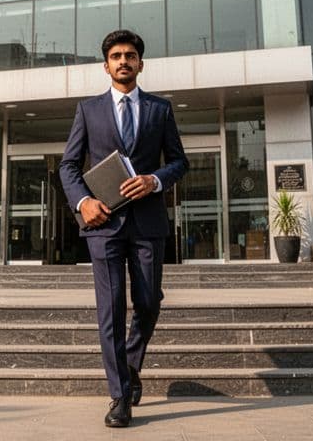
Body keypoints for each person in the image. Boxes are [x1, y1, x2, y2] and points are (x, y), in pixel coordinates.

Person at [60, 29, 188, 428]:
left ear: (140, 63)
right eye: (116, 56)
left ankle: (130, 364)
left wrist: (155, 180)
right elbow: (68, 165)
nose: (123, 61)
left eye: (129, 55)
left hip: (148, 224)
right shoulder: (88, 110)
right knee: (111, 309)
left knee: (149, 302)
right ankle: (119, 396)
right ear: (106, 66)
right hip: (104, 224)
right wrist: (83, 203)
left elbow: (179, 161)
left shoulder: (160, 109)